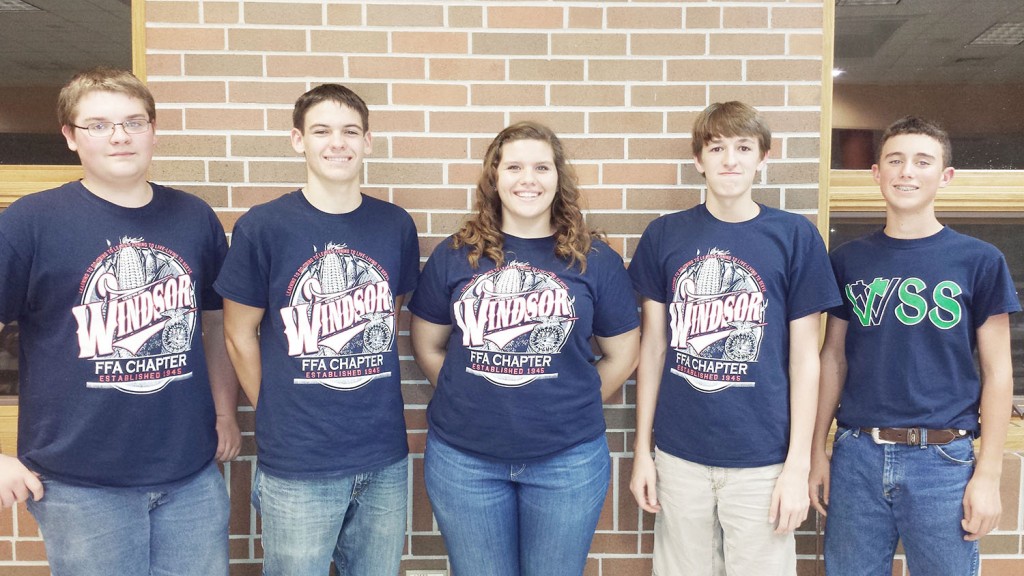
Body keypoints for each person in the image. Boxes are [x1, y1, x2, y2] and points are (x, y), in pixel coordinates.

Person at [0, 67, 240, 576]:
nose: (120, 136)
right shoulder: (29, 222)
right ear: (70, 136)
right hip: (79, 483)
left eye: (134, 121)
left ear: (153, 129)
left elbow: (216, 324)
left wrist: (223, 414)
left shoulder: (194, 217)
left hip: (191, 474)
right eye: (99, 124)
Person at [409, 121, 639, 576]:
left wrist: (568, 400)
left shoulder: (595, 260)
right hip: (464, 461)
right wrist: (478, 392)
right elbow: (429, 346)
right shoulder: (456, 256)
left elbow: (623, 354)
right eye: (513, 166)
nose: (527, 179)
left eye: (541, 166)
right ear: (494, 178)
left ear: (558, 178)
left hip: (567, 461)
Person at [628, 101, 841, 575]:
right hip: (680, 454)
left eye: (743, 147)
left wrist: (797, 466)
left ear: (763, 157)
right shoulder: (665, 235)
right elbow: (653, 348)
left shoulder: (794, 236)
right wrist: (644, 452)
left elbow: (805, 359)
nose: (730, 159)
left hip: (763, 459)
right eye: (716, 147)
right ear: (698, 160)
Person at [215, 83, 418, 576]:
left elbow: (388, 313)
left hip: (383, 454)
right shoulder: (264, 227)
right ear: (297, 140)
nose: (337, 143)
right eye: (321, 130)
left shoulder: (394, 225)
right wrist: (278, 407)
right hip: (298, 461)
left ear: (368, 142)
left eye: (350, 131)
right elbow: (238, 334)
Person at [809, 116, 1020, 575]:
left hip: (943, 461)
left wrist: (988, 473)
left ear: (945, 177)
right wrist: (815, 453)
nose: (907, 171)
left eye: (922, 161)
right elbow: (834, 357)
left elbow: (999, 372)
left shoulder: (980, 261)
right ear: (876, 174)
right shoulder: (848, 260)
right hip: (857, 455)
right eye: (895, 160)